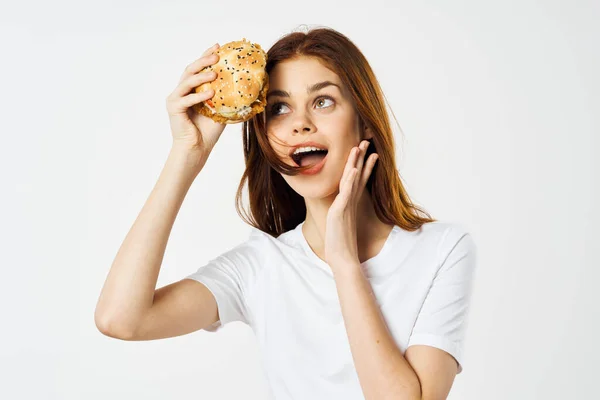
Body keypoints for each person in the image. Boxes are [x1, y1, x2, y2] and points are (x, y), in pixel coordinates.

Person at [95, 27, 477, 400]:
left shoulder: (442, 250)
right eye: (279, 108)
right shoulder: (261, 265)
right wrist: (186, 155)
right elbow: (120, 319)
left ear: (365, 121)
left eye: (323, 101)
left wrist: (344, 262)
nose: (300, 123)